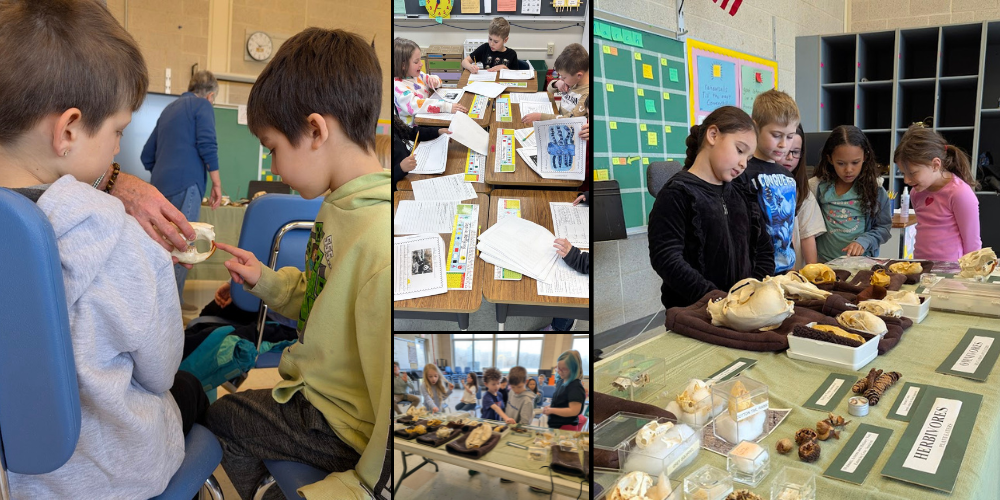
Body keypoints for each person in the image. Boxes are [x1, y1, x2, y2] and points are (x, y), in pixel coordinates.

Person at [0, 1, 209, 497]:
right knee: (189, 394)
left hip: (17, 482)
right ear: (68, 130)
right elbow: (160, 372)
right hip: (106, 478)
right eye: (117, 131)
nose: (117, 150)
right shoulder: (120, 241)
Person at [203, 27, 391, 499]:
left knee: (224, 417)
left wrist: (358, 488)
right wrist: (264, 280)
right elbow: (321, 294)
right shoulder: (339, 204)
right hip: (319, 396)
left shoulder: (379, 243)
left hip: (342, 427)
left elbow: (397, 408)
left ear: (315, 130)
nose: (273, 167)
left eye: (272, 149)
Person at [648, 106, 774, 310]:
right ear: (713, 135)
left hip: (743, 308)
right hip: (695, 312)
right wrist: (715, 299)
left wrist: (753, 292)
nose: (744, 164)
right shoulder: (677, 193)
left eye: (748, 158)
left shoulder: (743, 193)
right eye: (739, 150)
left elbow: (764, 249)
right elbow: (666, 257)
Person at [141, 69, 223, 309]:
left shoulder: (169, 110)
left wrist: (164, 171)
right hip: (187, 184)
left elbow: (146, 155)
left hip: (159, 187)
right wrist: (216, 183)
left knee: (163, 246)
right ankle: (172, 307)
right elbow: (207, 144)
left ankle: (164, 303)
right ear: (210, 96)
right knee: (183, 247)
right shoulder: (202, 105)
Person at [731, 89, 800, 273]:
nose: (783, 144)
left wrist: (791, 266)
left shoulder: (789, 177)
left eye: (790, 136)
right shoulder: (742, 171)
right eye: (776, 135)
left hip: (784, 271)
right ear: (755, 127)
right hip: (754, 272)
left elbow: (789, 227)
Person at [894, 124, 981, 261]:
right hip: (921, 265)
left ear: (935, 165)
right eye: (903, 173)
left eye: (912, 173)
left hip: (952, 269)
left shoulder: (960, 193)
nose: (906, 180)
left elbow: (972, 243)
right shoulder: (916, 192)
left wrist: (972, 271)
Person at [811, 125, 892, 262]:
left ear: (865, 157)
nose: (849, 170)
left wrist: (864, 241)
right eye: (841, 163)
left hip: (861, 264)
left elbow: (884, 228)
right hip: (825, 263)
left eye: (855, 162)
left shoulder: (875, 190)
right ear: (830, 159)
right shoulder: (817, 187)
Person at [780, 124, 826, 270]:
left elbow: (808, 237)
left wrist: (813, 274)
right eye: (785, 151)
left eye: (795, 152)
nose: (789, 157)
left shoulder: (803, 194)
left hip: (793, 275)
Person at [393, 37, 467, 125]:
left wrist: (434, 81)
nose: (421, 64)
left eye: (420, 59)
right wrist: (446, 107)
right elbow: (416, 105)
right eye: (416, 62)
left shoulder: (416, 75)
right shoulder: (398, 87)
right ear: (403, 65)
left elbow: (438, 81)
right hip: (416, 128)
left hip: (428, 117)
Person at [522, 43, 590, 124]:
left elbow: (570, 119)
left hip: (567, 124)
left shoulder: (586, 95)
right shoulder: (573, 81)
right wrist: (557, 84)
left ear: (579, 75)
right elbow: (549, 89)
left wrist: (540, 117)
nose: (561, 79)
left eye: (564, 77)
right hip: (558, 116)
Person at [390, 108, 450, 192]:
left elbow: (412, 132)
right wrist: (400, 169)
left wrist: (437, 131)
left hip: (412, 170)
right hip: (400, 185)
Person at [542, 350, 587, 429]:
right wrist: (550, 406)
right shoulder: (561, 381)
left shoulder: (575, 386)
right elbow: (561, 402)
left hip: (566, 426)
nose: (560, 372)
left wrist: (552, 410)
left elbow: (573, 411)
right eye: (558, 368)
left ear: (574, 369)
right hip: (555, 425)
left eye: (564, 369)